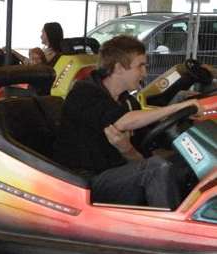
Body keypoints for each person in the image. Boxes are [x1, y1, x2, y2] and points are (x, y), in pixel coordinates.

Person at [52, 35, 202, 209]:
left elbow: (139, 157)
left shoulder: (127, 101)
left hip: (115, 174)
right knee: (155, 168)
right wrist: (178, 107)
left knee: (183, 162)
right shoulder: (84, 93)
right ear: (118, 68)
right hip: (84, 183)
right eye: (141, 66)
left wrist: (127, 149)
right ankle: (171, 232)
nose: (145, 73)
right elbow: (123, 122)